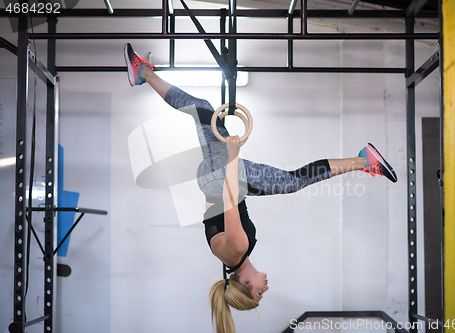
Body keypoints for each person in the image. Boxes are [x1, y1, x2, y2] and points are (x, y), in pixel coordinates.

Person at [124, 43, 397, 333]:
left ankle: (363, 160)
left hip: (225, 179)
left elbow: (228, 200)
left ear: (244, 284)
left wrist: (231, 158)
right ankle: (143, 74)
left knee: (208, 113)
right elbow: (219, 207)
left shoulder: (236, 250)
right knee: (206, 112)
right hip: (219, 181)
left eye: (258, 292)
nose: (265, 287)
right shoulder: (233, 256)